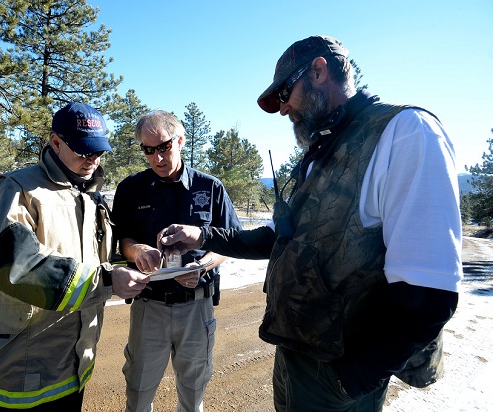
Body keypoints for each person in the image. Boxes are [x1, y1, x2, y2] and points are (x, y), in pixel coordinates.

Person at [159, 35, 462, 412]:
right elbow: (277, 239)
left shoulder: (406, 132)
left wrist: (349, 380)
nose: (283, 109)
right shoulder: (323, 151)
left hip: (339, 374)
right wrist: (202, 235)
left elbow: (429, 291)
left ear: (319, 71)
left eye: (285, 93)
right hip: (293, 355)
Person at [0, 102, 150, 411]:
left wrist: (133, 259)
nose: (93, 160)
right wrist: (107, 280)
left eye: (98, 152)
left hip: (69, 370)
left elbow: (90, 260)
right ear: (56, 142)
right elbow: (17, 268)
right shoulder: (16, 190)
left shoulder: (91, 197)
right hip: (15, 375)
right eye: (84, 150)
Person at [111, 109, 242, 412]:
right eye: (148, 150)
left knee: (193, 394)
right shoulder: (130, 189)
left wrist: (201, 266)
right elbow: (122, 241)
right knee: (138, 393)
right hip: (149, 307)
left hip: (196, 308)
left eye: (164, 147)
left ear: (180, 140)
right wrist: (137, 251)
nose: (157, 158)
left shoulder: (210, 188)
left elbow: (230, 243)